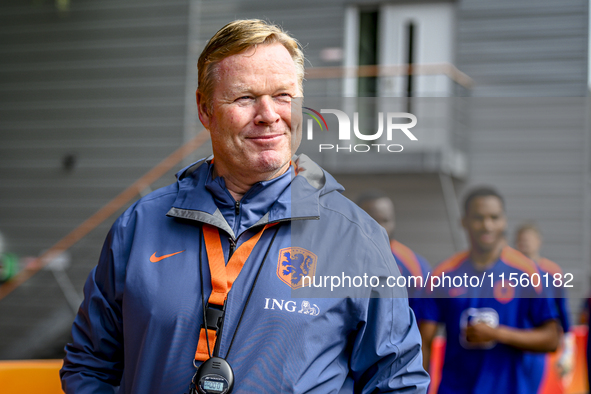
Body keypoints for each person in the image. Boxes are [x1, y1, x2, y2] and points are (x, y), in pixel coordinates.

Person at [60, 19, 429, 393]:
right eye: (245, 97)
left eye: (284, 96)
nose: (269, 114)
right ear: (205, 110)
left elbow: (396, 382)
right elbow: (88, 366)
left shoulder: (356, 238)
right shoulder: (138, 226)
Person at [421, 187, 560, 394]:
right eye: (478, 218)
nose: (487, 225)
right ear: (464, 221)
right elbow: (424, 341)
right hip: (454, 388)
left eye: (494, 218)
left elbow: (552, 338)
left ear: (504, 221)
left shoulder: (528, 272)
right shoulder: (443, 274)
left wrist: (498, 333)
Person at [357, 191, 433, 370]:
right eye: (371, 220)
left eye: (385, 220)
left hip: (394, 366)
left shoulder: (415, 267)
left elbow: (424, 332)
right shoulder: (336, 261)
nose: (379, 227)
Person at [515, 223, 574, 393]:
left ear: (538, 241)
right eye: (521, 240)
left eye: (528, 239)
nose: (525, 243)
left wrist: (568, 347)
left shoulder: (552, 271)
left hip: (539, 342)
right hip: (515, 340)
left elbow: (562, 307)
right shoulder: (510, 272)